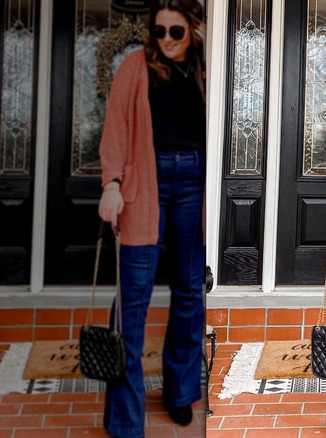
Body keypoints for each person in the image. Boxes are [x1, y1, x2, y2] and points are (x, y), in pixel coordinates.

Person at [97, 0, 206, 436]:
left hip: (194, 183)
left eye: (175, 32)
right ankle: (125, 417)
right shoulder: (134, 67)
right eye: (159, 31)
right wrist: (111, 184)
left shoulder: (204, 68)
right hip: (146, 181)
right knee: (133, 299)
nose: (166, 40)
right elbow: (115, 130)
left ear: (193, 29)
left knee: (188, 292)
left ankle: (180, 393)